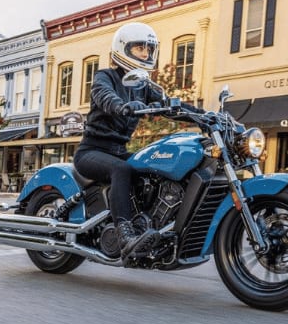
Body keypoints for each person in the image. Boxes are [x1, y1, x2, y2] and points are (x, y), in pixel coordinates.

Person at [74, 22, 203, 262]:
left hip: (119, 150)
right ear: (123, 49)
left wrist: (204, 116)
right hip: (91, 151)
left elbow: (172, 105)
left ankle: (148, 225)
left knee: (146, 169)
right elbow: (104, 96)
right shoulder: (106, 77)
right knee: (121, 169)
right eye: (139, 48)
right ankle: (125, 236)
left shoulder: (144, 86)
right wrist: (122, 106)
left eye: (149, 49)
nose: (145, 54)